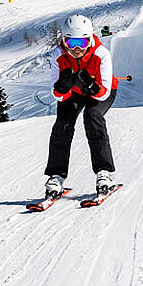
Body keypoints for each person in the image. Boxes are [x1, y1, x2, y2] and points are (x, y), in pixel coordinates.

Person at [43, 14, 120, 199]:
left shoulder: (101, 53)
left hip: (100, 91)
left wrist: (92, 87)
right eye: (71, 43)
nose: (77, 49)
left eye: (82, 43)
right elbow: (57, 96)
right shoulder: (58, 56)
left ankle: (104, 172)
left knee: (92, 117)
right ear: (64, 41)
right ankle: (56, 175)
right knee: (63, 122)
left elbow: (105, 93)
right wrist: (62, 87)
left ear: (89, 40)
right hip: (74, 93)